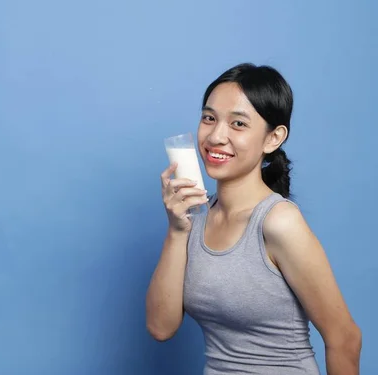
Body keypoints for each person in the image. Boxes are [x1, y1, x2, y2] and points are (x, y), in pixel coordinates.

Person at [145, 63, 362, 375]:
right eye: (209, 118)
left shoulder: (278, 222)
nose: (216, 136)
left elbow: (345, 339)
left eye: (238, 124)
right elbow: (160, 327)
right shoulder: (197, 217)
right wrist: (177, 230)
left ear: (273, 139)